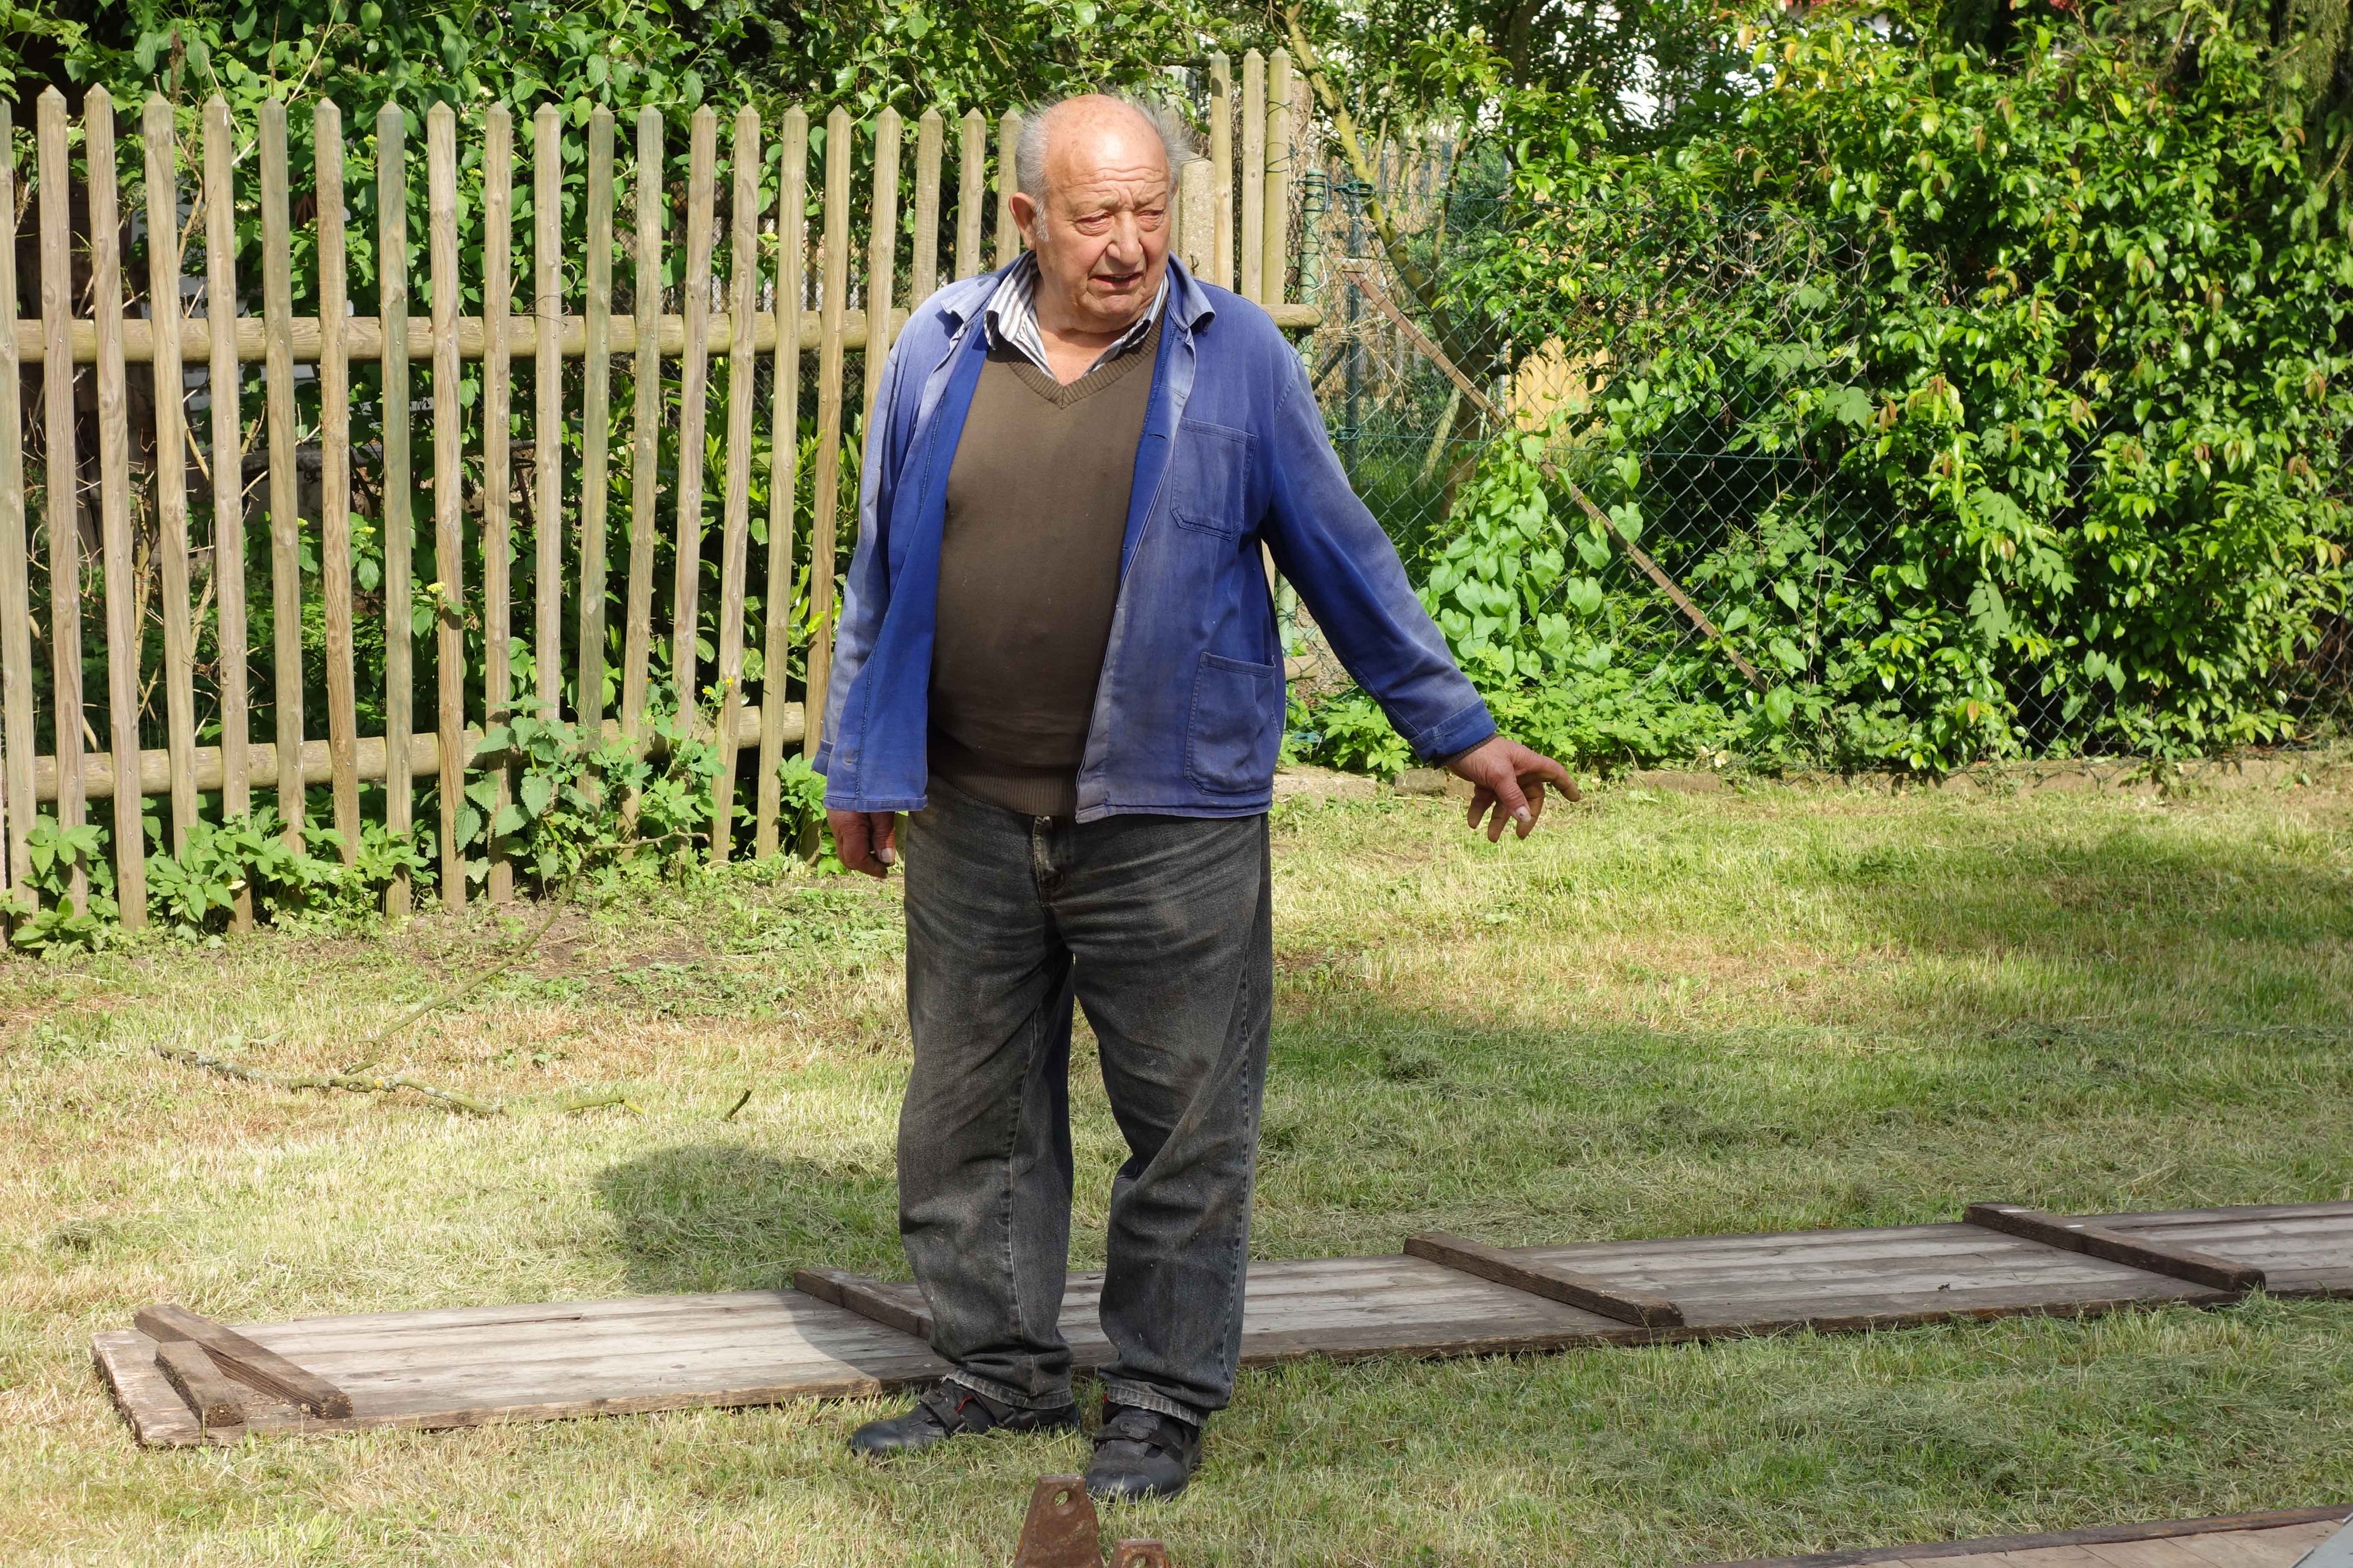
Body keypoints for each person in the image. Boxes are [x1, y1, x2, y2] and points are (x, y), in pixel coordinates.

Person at [813, 91, 1573, 1501]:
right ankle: (996, 1371)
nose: (1128, 243)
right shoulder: (940, 344)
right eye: (1095, 215)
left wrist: (1457, 730)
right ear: (1027, 219)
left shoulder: (1238, 361)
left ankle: (1159, 1397)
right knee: (967, 1115)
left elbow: (1342, 553)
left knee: (1184, 1124)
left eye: (1149, 210)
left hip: (1172, 813)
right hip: (969, 810)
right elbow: (881, 571)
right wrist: (861, 765)